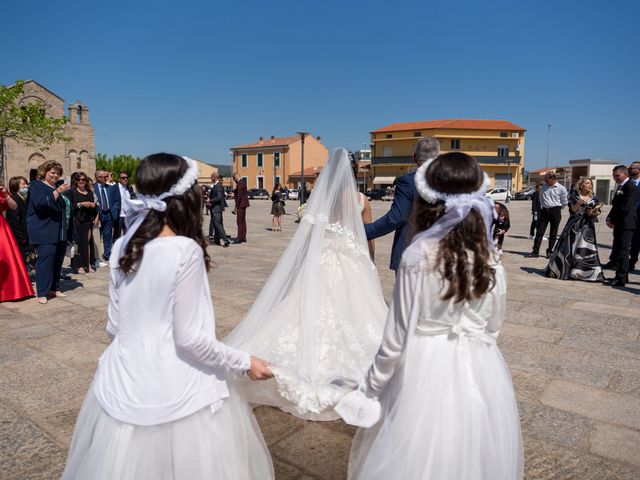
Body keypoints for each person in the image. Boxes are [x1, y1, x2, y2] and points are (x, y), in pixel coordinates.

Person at [61, 153, 274, 480]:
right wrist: (245, 361)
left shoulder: (121, 246)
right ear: (185, 198)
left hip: (122, 380)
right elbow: (189, 338)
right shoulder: (184, 251)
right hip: (177, 386)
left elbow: (114, 326)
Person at [336, 152, 523, 480]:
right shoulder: (491, 258)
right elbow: (493, 328)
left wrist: (368, 390)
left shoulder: (417, 257)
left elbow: (394, 342)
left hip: (424, 367)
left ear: (427, 200)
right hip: (482, 369)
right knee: (472, 454)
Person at [226, 148, 388, 421]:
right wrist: (370, 259)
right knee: (357, 311)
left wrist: (301, 267)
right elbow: (367, 235)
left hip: (324, 260)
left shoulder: (321, 198)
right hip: (352, 263)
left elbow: (310, 237)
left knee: (310, 307)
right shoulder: (361, 199)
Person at [365, 136, 440, 271]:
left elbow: (396, 218)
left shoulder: (408, 182)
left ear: (414, 157)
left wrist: (364, 231)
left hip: (412, 257)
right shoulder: (451, 180)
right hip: (443, 256)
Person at [26, 161, 70, 304]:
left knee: (57, 260)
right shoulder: (37, 186)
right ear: (44, 172)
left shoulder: (56, 186)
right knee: (45, 260)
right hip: (44, 230)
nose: (55, 175)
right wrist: (57, 192)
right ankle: (42, 292)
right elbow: (42, 204)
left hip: (59, 230)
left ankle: (53, 288)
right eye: (52, 172)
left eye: (57, 173)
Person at [544, 177, 604, 282]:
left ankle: (583, 272)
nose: (589, 185)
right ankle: (564, 270)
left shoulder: (594, 198)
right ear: (581, 185)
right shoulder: (574, 196)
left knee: (586, 248)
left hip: (587, 226)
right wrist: (579, 203)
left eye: (590, 183)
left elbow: (596, 212)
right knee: (569, 246)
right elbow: (573, 210)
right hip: (574, 224)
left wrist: (595, 212)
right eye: (587, 183)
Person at [0, 180, 35, 302]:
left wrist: (4, 193)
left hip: (1, 229)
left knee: (6, 258)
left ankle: (11, 291)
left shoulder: (1, 191)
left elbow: (13, 206)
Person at [605, 165, 639, 287]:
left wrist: (614, 219)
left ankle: (621, 278)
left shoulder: (631, 187)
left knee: (623, 251)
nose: (615, 178)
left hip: (626, 223)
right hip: (620, 223)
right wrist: (609, 218)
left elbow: (626, 207)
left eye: (617, 175)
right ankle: (620, 275)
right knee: (619, 250)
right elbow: (615, 206)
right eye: (614, 176)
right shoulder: (621, 187)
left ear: (625, 174)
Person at [526, 171, 568, 258]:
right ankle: (535, 251)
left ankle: (549, 251)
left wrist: (558, 209)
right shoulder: (544, 187)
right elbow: (541, 198)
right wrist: (544, 206)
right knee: (539, 232)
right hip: (545, 211)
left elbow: (564, 202)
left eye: (547, 180)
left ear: (553, 179)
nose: (545, 182)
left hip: (556, 211)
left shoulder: (561, 188)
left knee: (553, 233)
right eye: (545, 180)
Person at [66, 172, 98, 274]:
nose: (81, 181)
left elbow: (95, 207)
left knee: (87, 243)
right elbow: (70, 206)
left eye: (83, 179)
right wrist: (81, 204)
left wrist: (93, 206)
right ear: (75, 181)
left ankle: (87, 264)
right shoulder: (72, 192)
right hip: (77, 220)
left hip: (88, 220)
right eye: (79, 179)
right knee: (78, 243)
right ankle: (78, 266)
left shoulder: (89, 192)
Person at [5, 176, 32, 269]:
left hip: (26, 234)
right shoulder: (14, 200)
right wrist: (22, 238)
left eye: (26, 184)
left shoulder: (26, 199)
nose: (26, 186)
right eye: (23, 184)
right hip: (18, 236)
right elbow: (14, 221)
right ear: (16, 186)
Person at [94, 170, 121, 261]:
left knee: (107, 235)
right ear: (98, 178)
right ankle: (94, 256)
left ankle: (107, 254)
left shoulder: (111, 188)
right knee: (96, 236)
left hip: (108, 214)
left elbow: (116, 201)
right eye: (104, 177)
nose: (106, 178)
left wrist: (115, 210)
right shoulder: (92, 188)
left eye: (106, 176)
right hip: (97, 215)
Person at [208, 174, 230, 247]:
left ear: (214, 178)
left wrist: (210, 201)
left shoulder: (218, 186)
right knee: (215, 224)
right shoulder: (215, 185)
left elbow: (219, 197)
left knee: (218, 224)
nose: (210, 178)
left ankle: (226, 240)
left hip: (217, 208)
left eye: (211, 177)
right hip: (214, 208)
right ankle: (216, 241)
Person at [627, 161, 640, 271]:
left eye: (632, 168)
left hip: (639, 215)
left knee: (636, 240)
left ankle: (632, 261)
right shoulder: (626, 183)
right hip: (628, 216)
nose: (630, 169)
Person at [116, 170, 135, 236]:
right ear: (119, 179)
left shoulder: (129, 188)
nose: (125, 179)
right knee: (117, 236)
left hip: (127, 216)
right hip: (119, 216)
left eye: (126, 177)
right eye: (123, 178)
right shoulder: (114, 188)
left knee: (127, 235)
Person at [232, 172, 249, 243]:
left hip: (241, 204)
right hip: (244, 204)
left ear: (236, 177)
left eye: (234, 179)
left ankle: (239, 237)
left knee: (239, 221)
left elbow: (239, 196)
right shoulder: (243, 182)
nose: (234, 181)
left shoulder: (240, 183)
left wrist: (236, 205)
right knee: (243, 221)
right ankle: (243, 236)